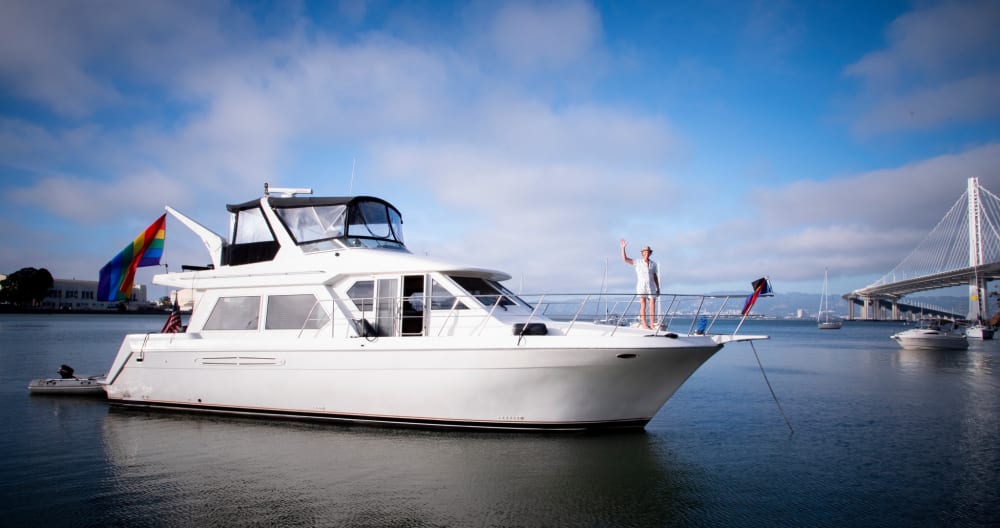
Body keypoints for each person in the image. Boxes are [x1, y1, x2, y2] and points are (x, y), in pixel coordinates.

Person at [620, 239, 660, 329]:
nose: (647, 253)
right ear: (642, 253)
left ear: (650, 253)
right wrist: (623, 248)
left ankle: (652, 324)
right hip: (642, 286)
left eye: (648, 252)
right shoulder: (638, 262)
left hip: (652, 286)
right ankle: (644, 324)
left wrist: (658, 288)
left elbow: (655, 276)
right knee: (643, 304)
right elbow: (625, 259)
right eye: (645, 251)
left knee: (653, 305)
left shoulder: (653, 264)